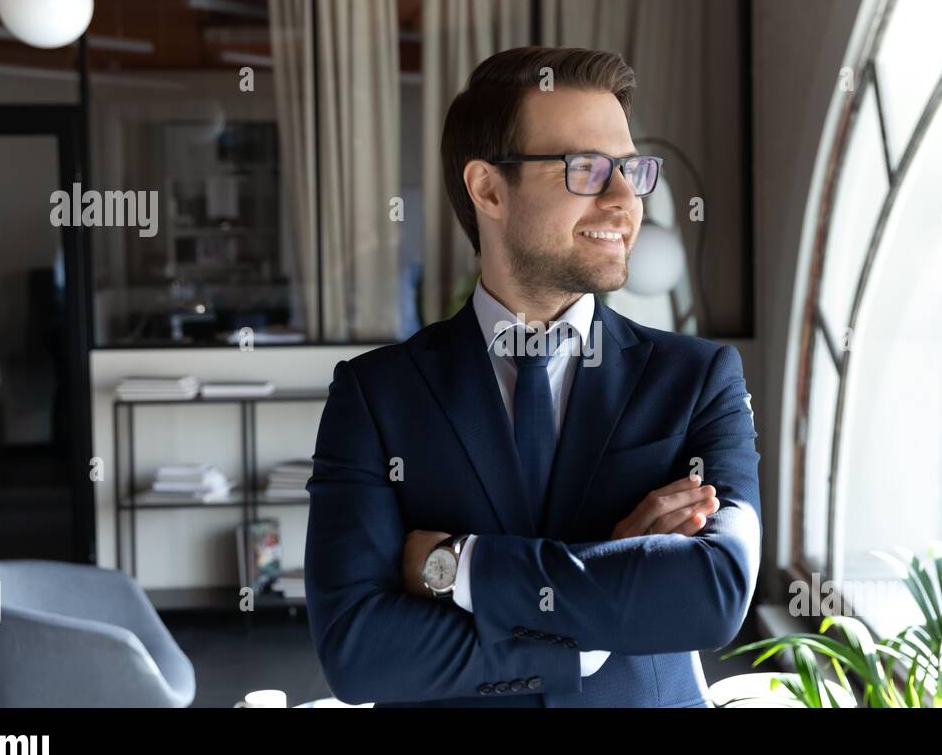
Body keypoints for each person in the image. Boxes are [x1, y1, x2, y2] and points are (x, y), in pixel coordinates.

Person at [305, 46, 760, 707]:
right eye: (588, 169)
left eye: (632, 170)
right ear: (489, 188)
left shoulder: (698, 378)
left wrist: (458, 566)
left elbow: (714, 590)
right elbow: (360, 652)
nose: (626, 199)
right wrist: (607, 600)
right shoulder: (375, 396)